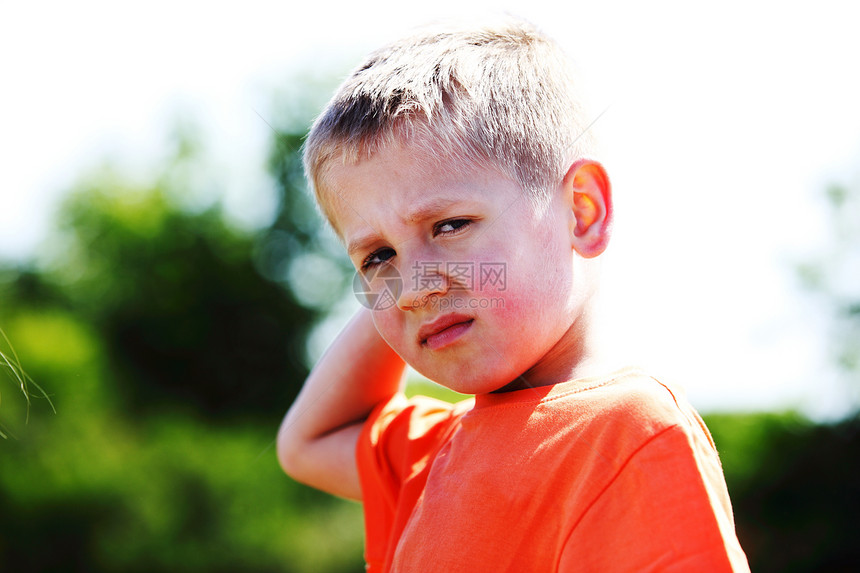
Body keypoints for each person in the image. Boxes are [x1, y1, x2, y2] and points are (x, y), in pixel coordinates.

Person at [277, 16, 750, 572]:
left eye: (450, 225)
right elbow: (307, 442)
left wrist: (404, 261)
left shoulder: (627, 430)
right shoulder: (434, 454)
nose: (411, 289)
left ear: (581, 210)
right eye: (377, 257)